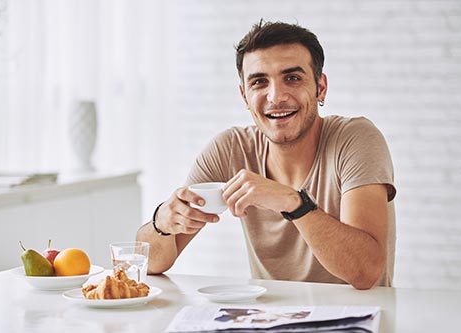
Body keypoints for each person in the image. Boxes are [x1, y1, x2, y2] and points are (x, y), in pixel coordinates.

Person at [136, 20, 396, 290]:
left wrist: (293, 203)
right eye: (259, 82)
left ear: (321, 87)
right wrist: (162, 222)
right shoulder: (229, 149)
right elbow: (150, 264)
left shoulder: (355, 139)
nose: (276, 96)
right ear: (245, 96)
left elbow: (366, 272)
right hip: (269, 318)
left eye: (292, 78)